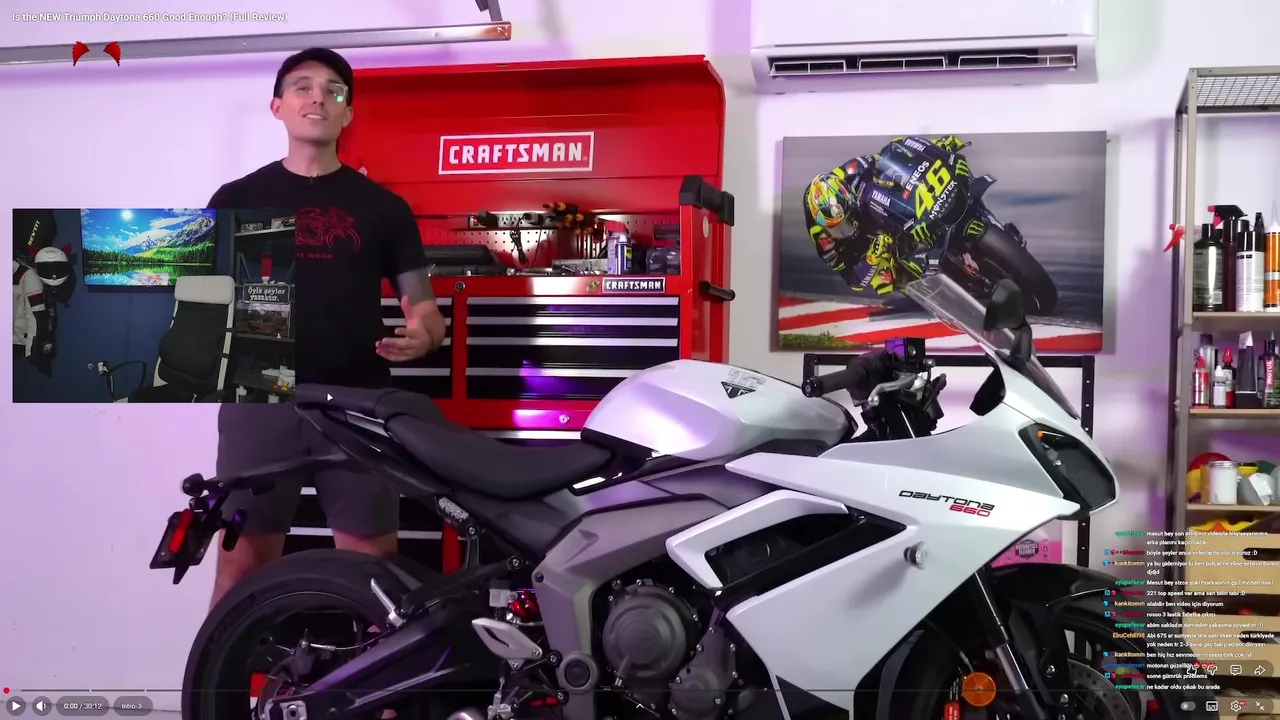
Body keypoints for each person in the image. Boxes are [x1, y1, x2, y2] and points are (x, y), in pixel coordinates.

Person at [205, 48, 448, 609]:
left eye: (334, 90)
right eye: (303, 87)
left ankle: (379, 676)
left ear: (348, 113)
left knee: (374, 579)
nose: (318, 97)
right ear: (277, 107)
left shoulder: (384, 208)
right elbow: (198, 297)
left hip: (357, 404)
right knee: (241, 571)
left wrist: (425, 334)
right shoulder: (235, 200)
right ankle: (221, 672)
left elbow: (426, 312)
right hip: (259, 400)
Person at [802, 134, 970, 295]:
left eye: (844, 224)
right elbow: (851, 279)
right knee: (883, 280)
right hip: (859, 244)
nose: (845, 229)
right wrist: (870, 259)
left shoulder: (851, 169)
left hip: (864, 208)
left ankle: (922, 218)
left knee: (886, 179)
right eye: (837, 229)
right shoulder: (822, 237)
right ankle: (911, 276)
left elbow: (891, 155)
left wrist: (935, 148)